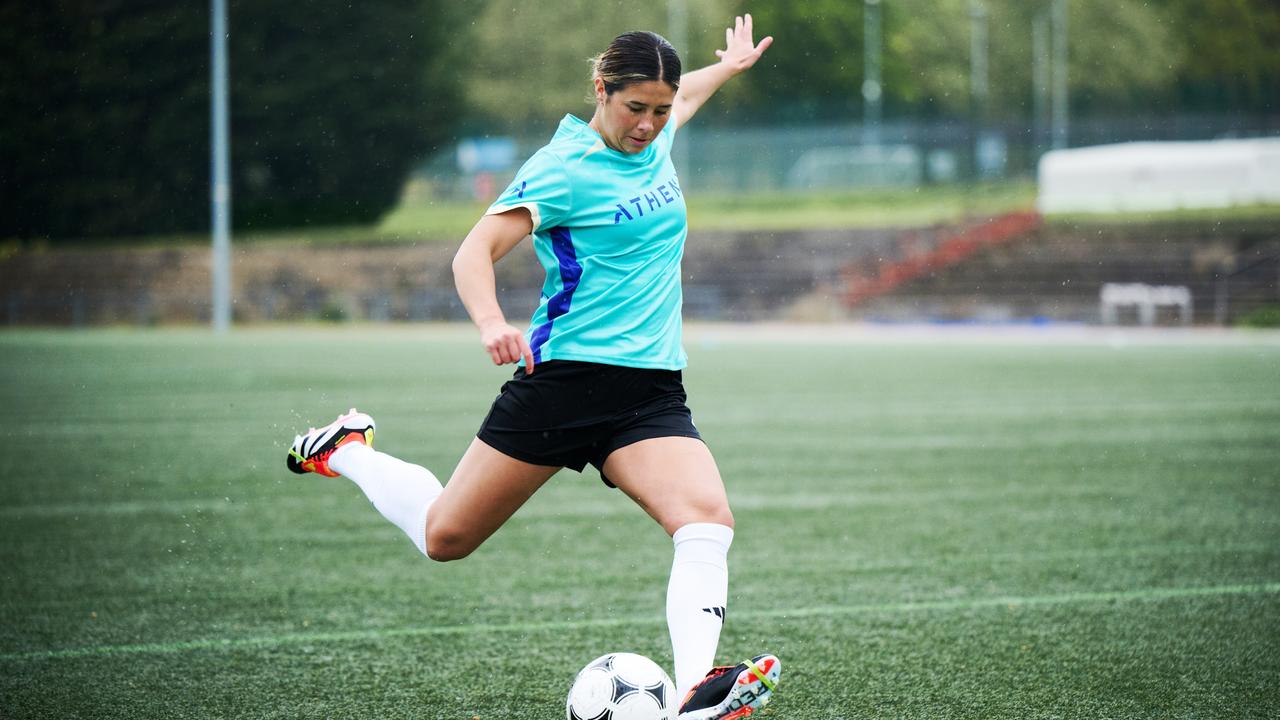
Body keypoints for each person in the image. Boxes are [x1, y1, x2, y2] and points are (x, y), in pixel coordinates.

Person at [286, 16, 778, 720]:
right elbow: (472, 253)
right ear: (601, 91)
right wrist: (492, 322)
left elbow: (687, 97)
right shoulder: (561, 169)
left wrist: (725, 68)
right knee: (443, 538)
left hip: (649, 392)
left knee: (705, 519)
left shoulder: (661, 131)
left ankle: (698, 692)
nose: (648, 124)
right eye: (634, 108)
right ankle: (347, 451)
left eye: (660, 110)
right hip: (564, 386)